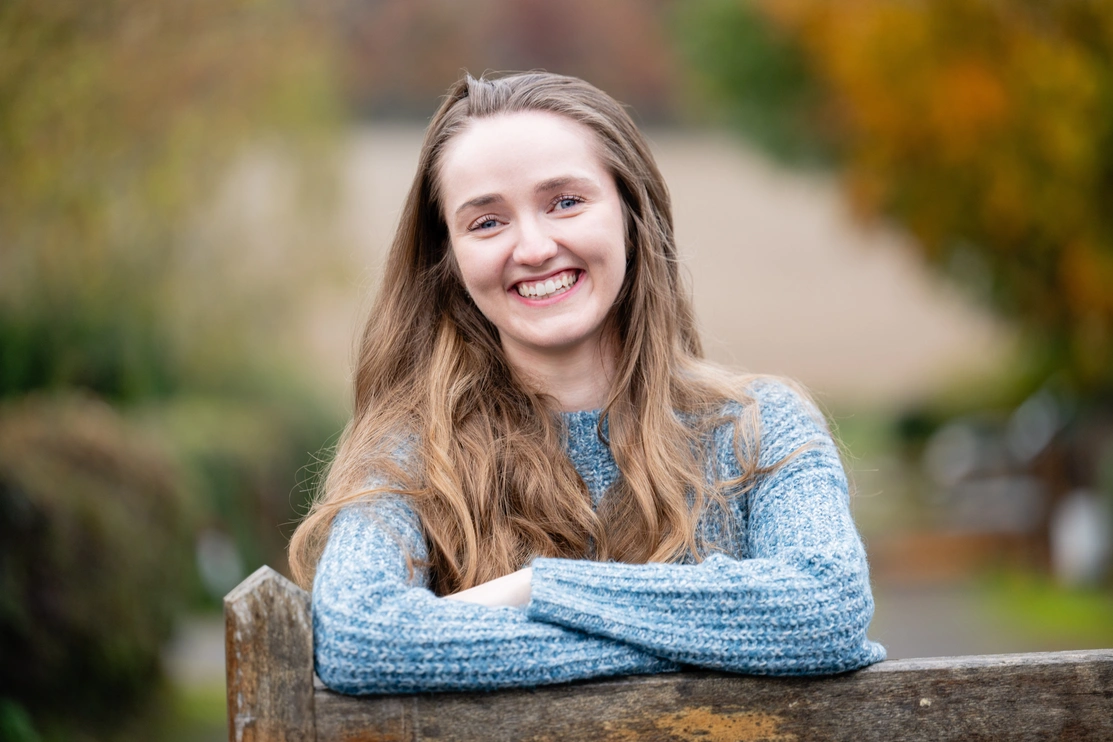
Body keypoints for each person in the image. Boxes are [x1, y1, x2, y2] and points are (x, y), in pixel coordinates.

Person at [287, 71, 886, 695]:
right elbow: (359, 637)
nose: (535, 246)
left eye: (565, 202)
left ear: (632, 213)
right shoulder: (408, 456)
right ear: (450, 260)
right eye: (487, 222)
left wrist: (536, 590)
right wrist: (718, 640)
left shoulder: (760, 428)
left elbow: (825, 607)